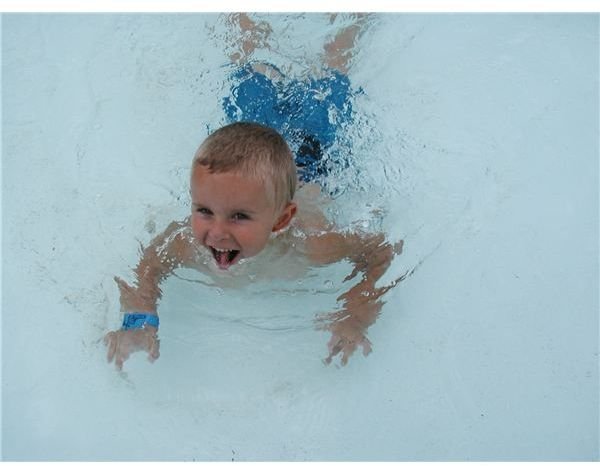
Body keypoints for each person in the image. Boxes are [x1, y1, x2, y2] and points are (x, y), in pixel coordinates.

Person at [104, 122, 401, 370]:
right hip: (259, 160)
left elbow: (382, 252)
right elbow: (148, 268)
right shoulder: (184, 243)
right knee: (249, 66)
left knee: (330, 74)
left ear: (281, 219)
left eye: (239, 216)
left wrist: (356, 313)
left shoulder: (315, 244)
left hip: (315, 158)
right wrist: (139, 322)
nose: (217, 233)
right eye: (204, 211)